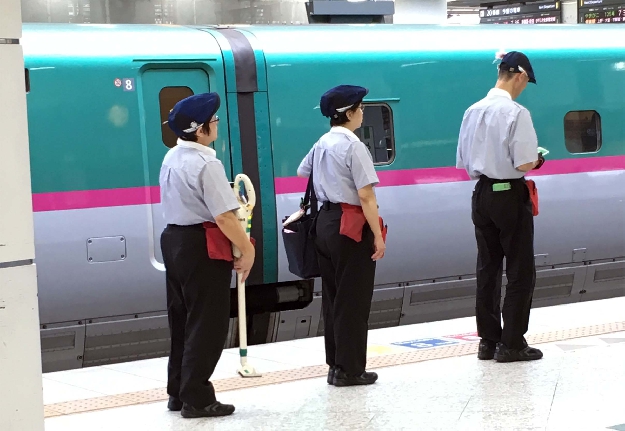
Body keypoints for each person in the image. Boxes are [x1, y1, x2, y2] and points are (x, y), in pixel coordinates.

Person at [159, 92, 255, 418]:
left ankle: (178, 392)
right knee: (207, 322)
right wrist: (247, 248)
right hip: (201, 245)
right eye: (213, 121)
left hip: (173, 241)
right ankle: (198, 398)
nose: (216, 125)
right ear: (199, 130)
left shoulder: (171, 157)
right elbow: (225, 217)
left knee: (182, 319)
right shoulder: (206, 162)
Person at [456, 51, 546, 363]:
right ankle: (512, 343)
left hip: (481, 194)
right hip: (509, 195)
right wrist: (537, 159)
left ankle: (488, 342)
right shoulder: (516, 113)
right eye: (526, 82)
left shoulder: (472, 111)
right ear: (520, 76)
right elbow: (523, 161)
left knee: (488, 268)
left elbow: (463, 161)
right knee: (520, 270)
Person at [297, 85, 387, 386]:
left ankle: (336, 365)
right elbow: (366, 196)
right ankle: (351, 370)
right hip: (349, 225)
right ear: (349, 113)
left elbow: (302, 171)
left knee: (334, 297)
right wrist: (377, 235)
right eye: (360, 108)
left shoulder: (322, 142)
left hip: (324, 223)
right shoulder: (353, 146)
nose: (362, 113)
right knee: (354, 300)